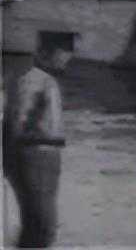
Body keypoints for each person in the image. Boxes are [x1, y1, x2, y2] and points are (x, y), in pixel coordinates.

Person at [4, 30, 76, 247]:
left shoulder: (44, 79)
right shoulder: (34, 79)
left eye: (69, 50)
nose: (68, 56)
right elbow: (17, 119)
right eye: (63, 50)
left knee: (41, 224)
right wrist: (11, 157)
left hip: (44, 156)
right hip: (34, 155)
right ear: (45, 52)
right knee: (41, 225)